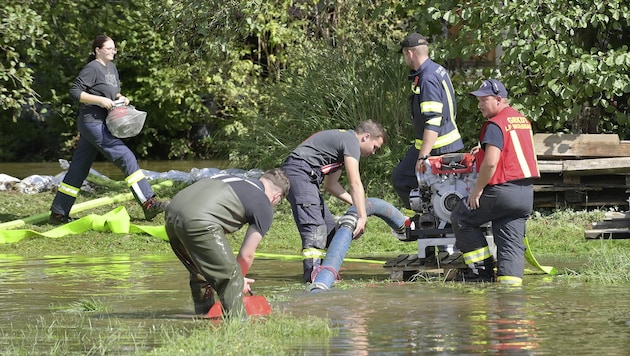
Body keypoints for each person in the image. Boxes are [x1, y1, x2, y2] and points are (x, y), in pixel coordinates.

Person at [49, 35, 168, 225]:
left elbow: (112, 93)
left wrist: (122, 97)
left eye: (114, 48)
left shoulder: (111, 68)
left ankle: (58, 213)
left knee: (78, 169)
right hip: (92, 122)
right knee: (126, 156)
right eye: (109, 48)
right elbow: (75, 92)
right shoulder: (92, 68)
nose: (114, 51)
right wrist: (100, 101)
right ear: (97, 50)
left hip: (104, 122)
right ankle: (148, 202)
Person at [165, 168, 290, 319]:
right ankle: (238, 326)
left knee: (200, 272)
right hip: (199, 221)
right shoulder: (263, 204)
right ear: (277, 197)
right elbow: (246, 255)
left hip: (171, 214)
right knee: (232, 277)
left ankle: (205, 315)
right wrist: (239, 280)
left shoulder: (231, 178)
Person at [450, 79, 540, 285]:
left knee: (462, 217)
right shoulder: (521, 120)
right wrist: (482, 149)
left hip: (501, 192)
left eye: (484, 100)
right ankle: (510, 294)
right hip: (525, 194)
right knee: (509, 239)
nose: (480, 104)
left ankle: (480, 273)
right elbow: (511, 150)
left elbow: (491, 163)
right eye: (478, 100)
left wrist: (476, 191)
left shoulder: (494, 124)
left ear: (499, 99)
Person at [281, 120, 386, 283]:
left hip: (306, 177)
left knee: (330, 233)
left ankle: (324, 272)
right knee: (315, 228)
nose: (373, 153)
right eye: (375, 147)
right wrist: (362, 215)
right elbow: (355, 183)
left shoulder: (340, 145)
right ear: (366, 137)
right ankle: (315, 278)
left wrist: (358, 205)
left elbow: (331, 185)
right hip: (299, 173)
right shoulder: (351, 141)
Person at [391, 32, 464, 261]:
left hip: (437, 147)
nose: (405, 60)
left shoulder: (427, 78)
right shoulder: (435, 70)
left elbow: (433, 120)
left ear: (410, 53)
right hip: (445, 143)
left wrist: (423, 158)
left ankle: (429, 224)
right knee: (435, 192)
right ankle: (437, 229)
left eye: (404, 55)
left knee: (403, 179)